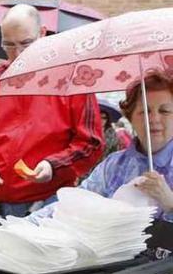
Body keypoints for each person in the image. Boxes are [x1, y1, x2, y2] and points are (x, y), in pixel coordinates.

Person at [0, 4, 104, 224]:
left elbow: (90, 142)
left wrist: (54, 165)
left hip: (49, 200)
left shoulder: (70, 81)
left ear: (42, 34)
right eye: (9, 45)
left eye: (26, 43)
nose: (18, 53)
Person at [31, 71, 173, 221]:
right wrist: (25, 225)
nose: (154, 119)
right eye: (144, 111)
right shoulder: (113, 166)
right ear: (130, 117)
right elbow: (76, 203)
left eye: (165, 111)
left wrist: (170, 202)